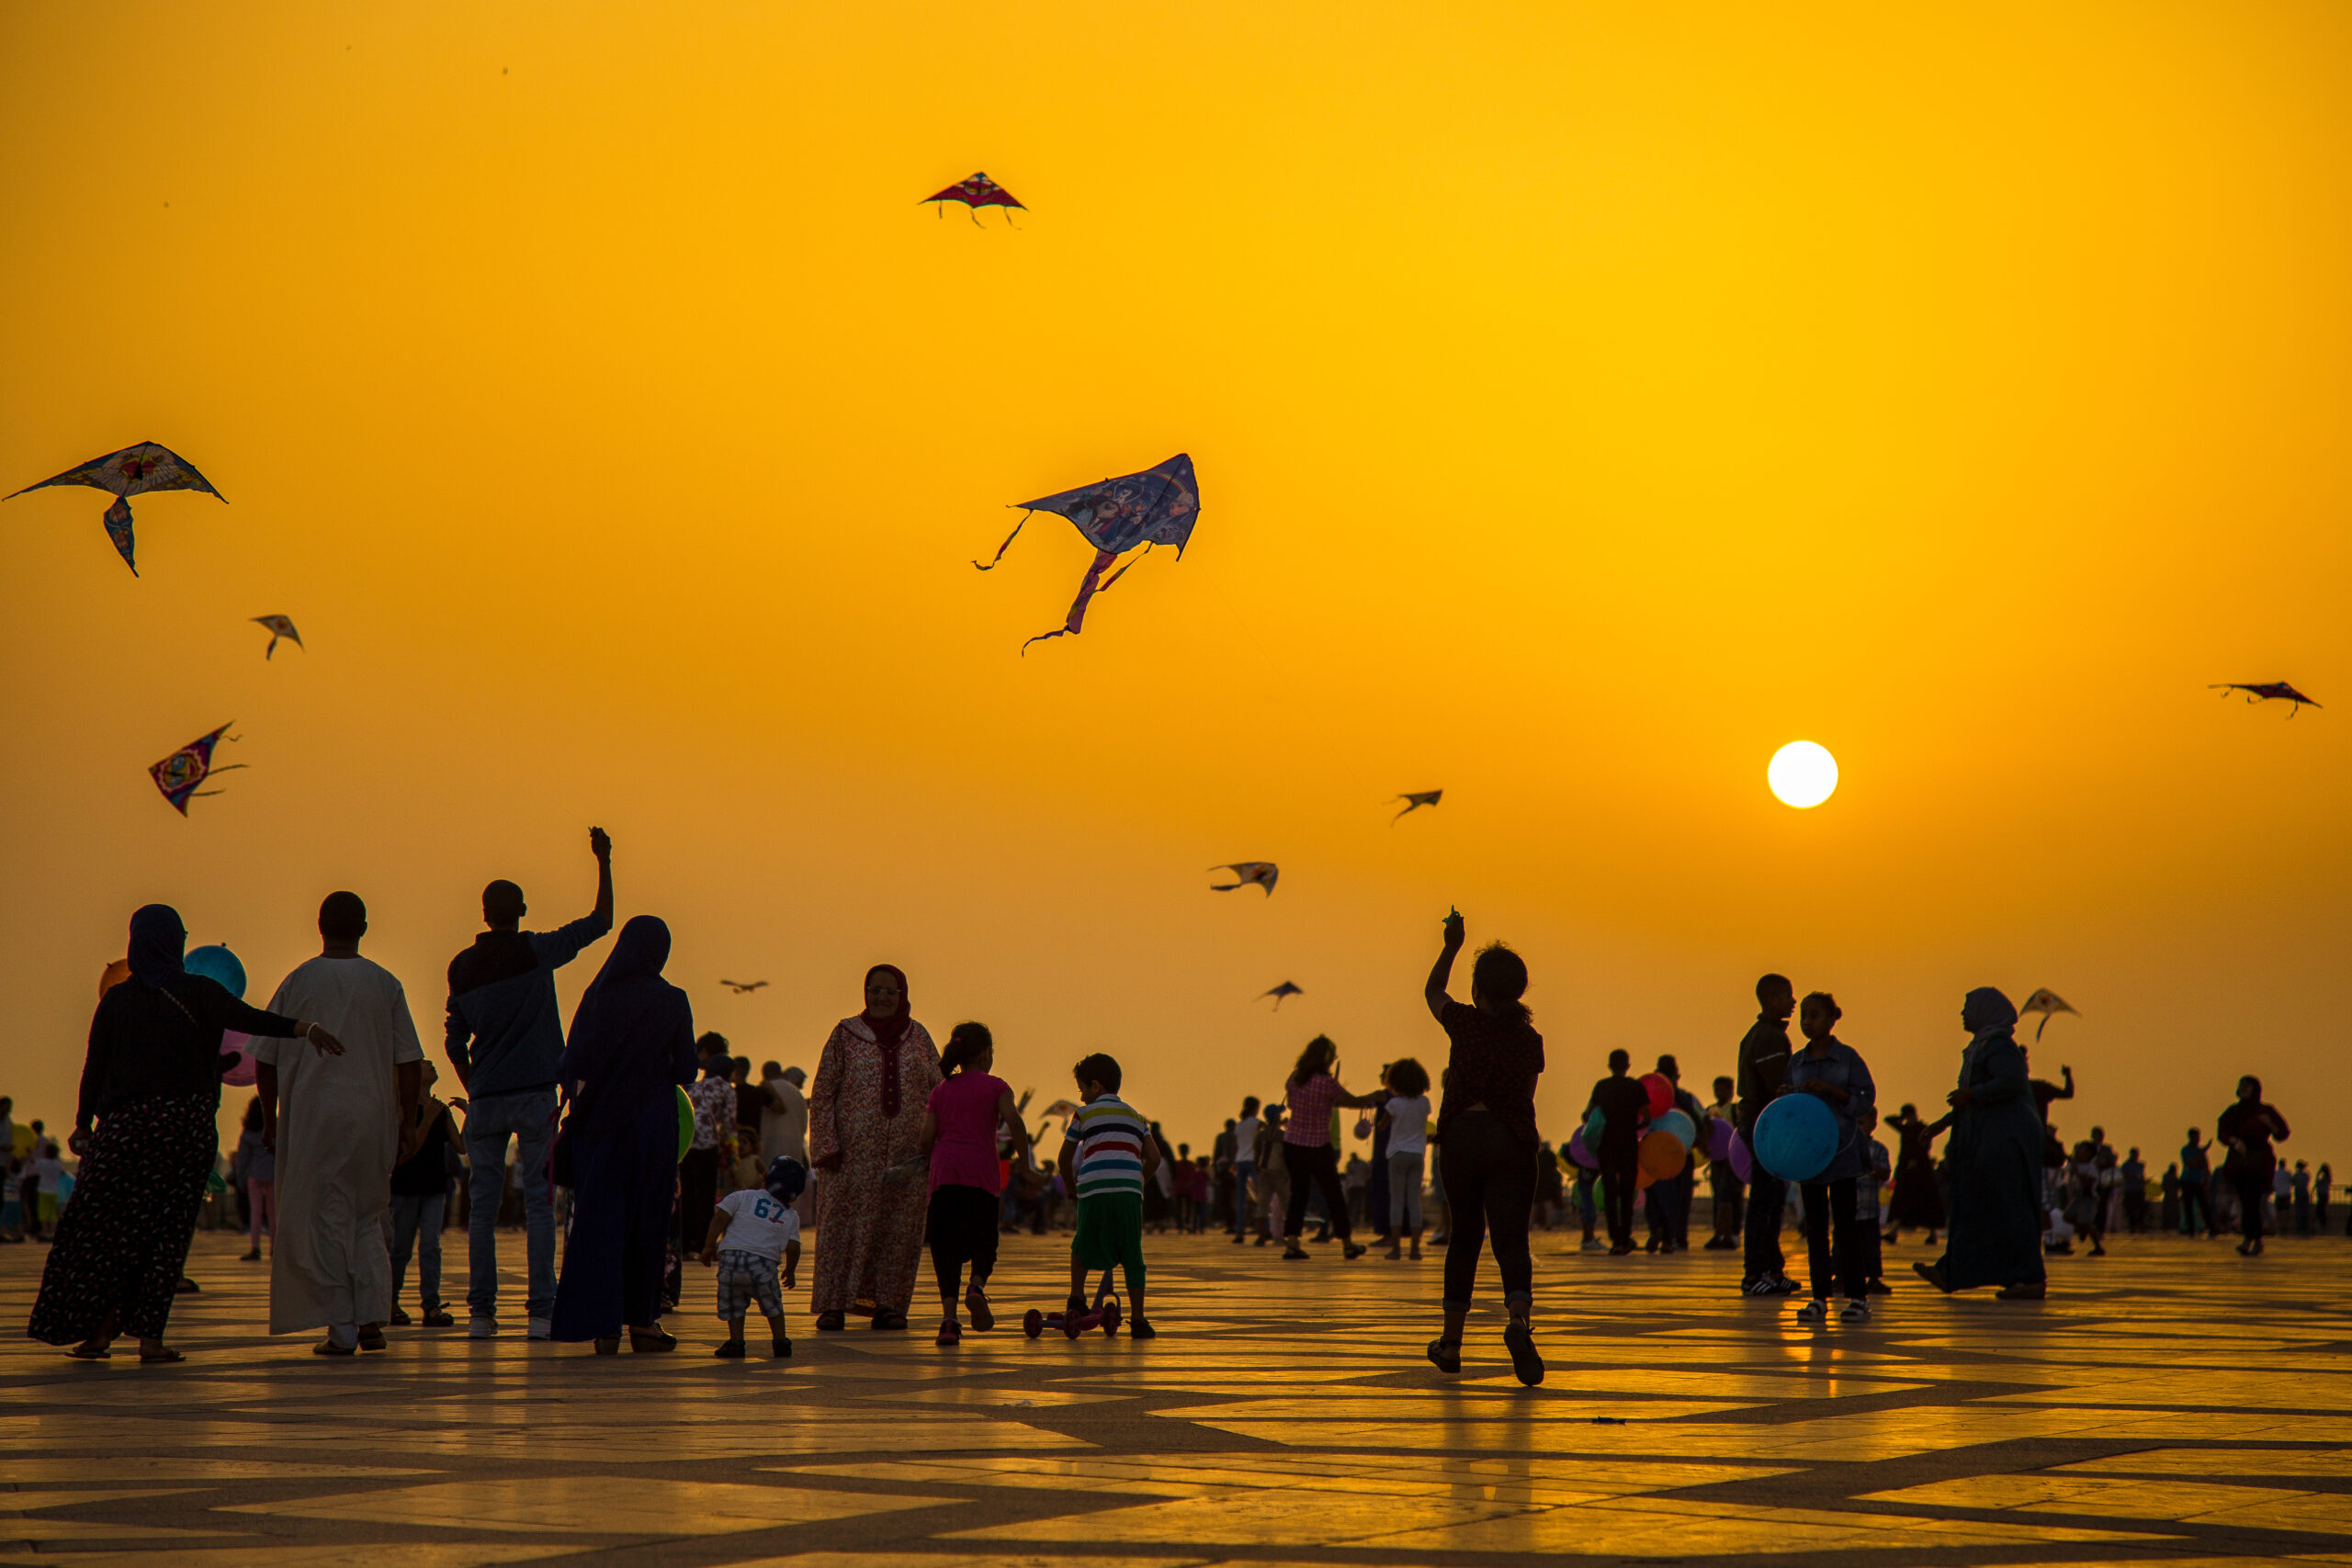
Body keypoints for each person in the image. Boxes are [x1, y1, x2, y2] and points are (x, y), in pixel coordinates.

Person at [29, 905, 343, 1362]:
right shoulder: (199, 992)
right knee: (166, 1236)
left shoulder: (118, 1000)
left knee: (106, 1233)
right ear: (175, 942)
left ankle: (97, 1333)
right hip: (186, 1131)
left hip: (126, 1131)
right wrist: (304, 1028)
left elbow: (94, 1066)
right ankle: (150, 1340)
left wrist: (82, 1123)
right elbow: (252, 1018)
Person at [445, 827, 615, 1340]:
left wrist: (473, 1085)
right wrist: (604, 861)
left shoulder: (462, 967)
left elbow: (455, 1040)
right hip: (537, 1093)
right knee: (540, 1205)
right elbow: (601, 922)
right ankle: (541, 1310)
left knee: (482, 1208)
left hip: (486, 1100)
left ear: (483, 914)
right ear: (520, 910)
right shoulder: (537, 951)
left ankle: (481, 1314)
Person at [257, 892, 426, 1355]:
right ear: (364, 927)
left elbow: (265, 1059)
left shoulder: (298, 981)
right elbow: (409, 1060)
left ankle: (342, 1328)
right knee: (369, 1215)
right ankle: (371, 1318)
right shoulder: (385, 983)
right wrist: (407, 1122)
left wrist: (271, 1119)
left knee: (326, 1216)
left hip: (315, 1119)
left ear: (319, 924)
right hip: (373, 1118)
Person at [549, 915, 697, 1351]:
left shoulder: (597, 996)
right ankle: (643, 1322)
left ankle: (603, 1326)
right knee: (647, 1223)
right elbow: (687, 1068)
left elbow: (571, 1064)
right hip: (651, 1125)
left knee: (599, 1224)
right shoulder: (671, 999)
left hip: (600, 1126)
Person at [1422, 910, 1546, 1386]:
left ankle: (1451, 1344)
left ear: (1478, 989)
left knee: (1465, 1237)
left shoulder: (1465, 1024)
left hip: (1463, 1139)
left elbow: (1433, 993)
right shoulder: (1529, 1040)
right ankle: (1517, 1322)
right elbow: (1526, 1100)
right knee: (1511, 1239)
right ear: (1519, 990)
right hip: (1510, 1140)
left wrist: (1452, 945)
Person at [808, 964, 943, 1332]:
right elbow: (822, 1094)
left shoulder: (919, 1038)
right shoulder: (845, 1035)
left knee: (897, 1232)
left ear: (903, 996)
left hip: (906, 1162)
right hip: (849, 1160)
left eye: (890, 991)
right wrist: (826, 1145)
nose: (882, 997)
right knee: (841, 1229)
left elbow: (939, 1092)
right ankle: (833, 1305)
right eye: (875, 990)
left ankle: (889, 1305)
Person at [1915, 988, 2046, 1301]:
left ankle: (2028, 1277)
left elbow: (2011, 1082)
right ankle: (1954, 1272)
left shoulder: (1999, 1046)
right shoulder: (1981, 1046)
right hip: (1986, 1139)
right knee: (1980, 1206)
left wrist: (1973, 1095)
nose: (1963, 1014)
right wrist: (1941, 1124)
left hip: (2004, 1142)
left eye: (1967, 1008)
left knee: (2007, 1207)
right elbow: (1970, 1099)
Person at [919, 1022, 1033, 1346]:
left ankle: (949, 1321)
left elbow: (926, 1137)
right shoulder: (996, 1087)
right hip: (982, 1177)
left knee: (946, 1248)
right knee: (985, 1241)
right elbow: (1015, 1122)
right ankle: (977, 1286)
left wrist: (932, 1158)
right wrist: (1024, 1165)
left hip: (945, 1177)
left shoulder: (941, 1090)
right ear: (986, 1055)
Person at [1781, 992, 1877, 1325]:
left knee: (1846, 1227)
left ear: (1832, 1018)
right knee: (1816, 1227)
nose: (1808, 1022)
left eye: (1815, 1016)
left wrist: (1833, 1091)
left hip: (1843, 1153)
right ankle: (1819, 1297)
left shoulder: (1847, 1058)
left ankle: (1857, 1297)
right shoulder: (1796, 1062)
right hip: (1810, 1157)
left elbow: (1865, 1101)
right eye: (1804, 1016)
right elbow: (1788, 1106)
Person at [1060, 1053, 1159, 1337]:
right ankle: (1138, 1320)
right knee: (1132, 1251)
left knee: (1082, 1242)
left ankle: (1077, 1297)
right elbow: (1154, 1158)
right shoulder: (1137, 1117)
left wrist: (1070, 1186)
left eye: (1082, 1089)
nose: (1081, 1096)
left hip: (1093, 1189)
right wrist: (1138, 1182)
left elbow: (1065, 1157)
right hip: (1129, 1192)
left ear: (1095, 1086)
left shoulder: (1084, 1114)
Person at [1275, 1037, 1381, 1261]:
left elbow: (1292, 1103)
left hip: (1293, 1143)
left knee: (1298, 1194)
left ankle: (1292, 1244)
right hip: (1318, 1145)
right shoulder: (1327, 1083)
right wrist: (1375, 1097)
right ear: (1326, 1058)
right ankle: (1347, 1243)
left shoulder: (1294, 1078)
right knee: (1333, 1194)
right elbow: (1353, 1102)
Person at [1737, 974, 1802, 1296]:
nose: (1793, 1002)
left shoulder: (1757, 1034)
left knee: (1772, 1198)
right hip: (1766, 1126)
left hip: (1758, 1123)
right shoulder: (1770, 1038)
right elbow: (1779, 1089)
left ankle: (1772, 1270)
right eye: (1787, 996)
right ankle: (1756, 1273)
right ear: (1772, 999)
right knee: (1765, 1200)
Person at [701, 1156, 803, 1358]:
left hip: (731, 1260)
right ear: (795, 1196)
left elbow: (720, 1217)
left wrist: (709, 1245)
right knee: (772, 1305)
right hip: (762, 1264)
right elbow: (793, 1248)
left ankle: (736, 1342)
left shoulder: (743, 1196)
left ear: (764, 1177)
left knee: (734, 1304)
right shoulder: (790, 1215)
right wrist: (790, 1271)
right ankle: (780, 1341)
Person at [389, 1060, 463, 1327]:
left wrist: (470, 1114)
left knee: (431, 1246)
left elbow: (462, 1146)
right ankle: (391, 1301)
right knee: (401, 1249)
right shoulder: (402, 1108)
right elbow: (405, 1151)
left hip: (434, 1188)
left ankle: (431, 1305)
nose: (431, 1064)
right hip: (406, 1187)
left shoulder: (440, 1109)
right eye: (424, 1064)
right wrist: (428, 1118)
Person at [2217, 1077, 2290, 1258]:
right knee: (2246, 1202)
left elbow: (2282, 1133)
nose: (2242, 1089)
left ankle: (2249, 1240)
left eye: (2246, 1086)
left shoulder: (2265, 1110)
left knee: (2252, 1202)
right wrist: (2234, 1141)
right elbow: (2222, 1133)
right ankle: (2255, 1240)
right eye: (2240, 1085)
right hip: (2239, 1162)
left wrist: (2270, 1125)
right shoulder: (2233, 1112)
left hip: (2258, 1162)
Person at [1585, 1051, 1647, 1256]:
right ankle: (1624, 1237)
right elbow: (1646, 1117)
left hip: (1607, 1146)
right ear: (1628, 1065)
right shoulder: (1635, 1087)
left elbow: (1588, 1114)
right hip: (1628, 1144)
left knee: (1611, 1193)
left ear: (1609, 1065)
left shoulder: (1602, 1086)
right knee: (1628, 1194)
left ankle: (1615, 1240)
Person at [680, 1056, 737, 1253]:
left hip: (686, 1143)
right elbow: (729, 1124)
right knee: (706, 1196)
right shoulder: (726, 1089)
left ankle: (685, 1243)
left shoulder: (695, 1086)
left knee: (686, 1195)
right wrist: (730, 1154)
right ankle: (704, 1243)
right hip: (707, 1145)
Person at [1383, 1057, 1431, 1260]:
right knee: (1414, 1202)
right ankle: (1415, 1249)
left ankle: (1396, 1249)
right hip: (1417, 1154)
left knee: (1396, 1201)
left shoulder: (1394, 1103)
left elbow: (1382, 1126)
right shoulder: (1424, 1103)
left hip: (1397, 1154)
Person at [1883, 1103, 1945, 1246]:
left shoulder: (1922, 1128)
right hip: (1906, 1171)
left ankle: (1932, 1234)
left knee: (1927, 1202)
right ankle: (1893, 1231)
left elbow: (1925, 1146)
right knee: (1901, 1201)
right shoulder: (1906, 1129)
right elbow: (1888, 1120)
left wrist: (1916, 1159)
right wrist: (1900, 1118)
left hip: (1921, 1171)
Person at [234, 1098, 276, 1261]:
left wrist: (240, 1180)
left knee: (256, 1213)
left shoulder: (247, 1132)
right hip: (272, 1174)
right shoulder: (274, 1128)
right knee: (273, 1215)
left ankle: (255, 1248)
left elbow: (242, 1159)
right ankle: (274, 1248)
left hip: (255, 1176)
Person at [1856, 1106, 1891, 1293]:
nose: (1858, 1127)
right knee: (1842, 1245)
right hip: (1848, 1208)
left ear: (1873, 1125)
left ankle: (1873, 1278)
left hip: (1869, 1208)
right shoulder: (1846, 1147)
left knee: (1871, 1246)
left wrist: (1868, 1165)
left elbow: (1885, 1173)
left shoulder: (1878, 1149)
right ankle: (1840, 1276)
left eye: (1861, 1123)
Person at [1702, 1075, 1740, 1249]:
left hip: (1732, 1160)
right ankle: (1718, 1232)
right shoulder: (1710, 1110)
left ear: (1731, 1091)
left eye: (1723, 1089)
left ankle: (1732, 1232)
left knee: (1731, 1195)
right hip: (1716, 1160)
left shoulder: (1735, 1110)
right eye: (1716, 1089)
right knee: (1718, 1195)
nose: (1719, 1093)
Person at [1253, 1105, 1289, 1245]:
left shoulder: (1261, 1135)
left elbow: (1257, 1154)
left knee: (1262, 1203)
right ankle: (1287, 1235)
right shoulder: (1282, 1135)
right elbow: (1286, 1156)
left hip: (1263, 1172)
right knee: (1286, 1203)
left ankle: (1262, 1235)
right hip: (1279, 1173)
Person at [1229, 1097, 1261, 1242]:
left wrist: (1233, 1162)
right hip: (1252, 1161)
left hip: (1240, 1161)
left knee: (1240, 1199)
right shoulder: (1257, 1124)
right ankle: (1264, 1228)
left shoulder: (1239, 1125)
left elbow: (1235, 1145)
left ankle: (1240, 1231)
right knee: (1261, 1196)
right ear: (1255, 1108)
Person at [2180, 1129, 2213, 1236]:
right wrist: (2201, 1154)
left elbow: (2204, 1166)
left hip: (2198, 1182)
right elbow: (2189, 1163)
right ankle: (2191, 1230)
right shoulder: (2186, 1150)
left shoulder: (2200, 1151)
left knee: (2204, 1205)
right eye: (2196, 1137)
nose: (2198, 1139)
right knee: (2188, 1206)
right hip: (2187, 1181)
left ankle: (2211, 1228)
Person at [2120, 1147, 2147, 1234]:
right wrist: (2133, 1176)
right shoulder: (2126, 1165)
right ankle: (2132, 1226)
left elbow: (2142, 1176)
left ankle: (2140, 1225)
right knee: (2130, 1209)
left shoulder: (2140, 1165)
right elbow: (2123, 1176)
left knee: (2141, 1208)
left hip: (2138, 1189)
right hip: (2129, 1189)